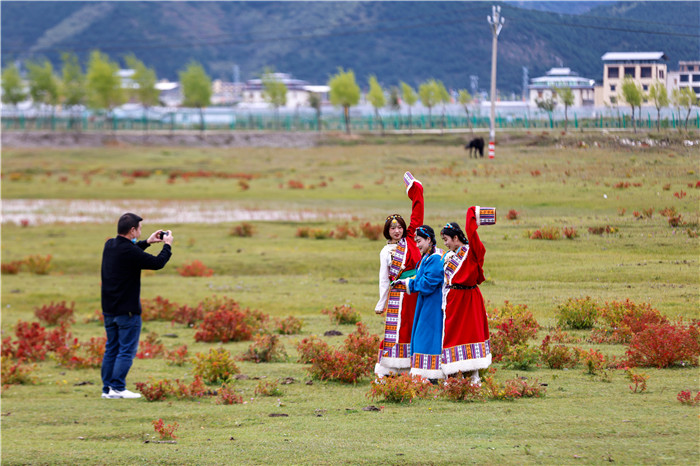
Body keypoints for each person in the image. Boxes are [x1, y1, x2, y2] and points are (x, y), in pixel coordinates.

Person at [100, 213, 173, 399]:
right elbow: (157, 263)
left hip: (109, 309)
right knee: (126, 350)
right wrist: (167, 245)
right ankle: (118, 388)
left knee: (111, 349)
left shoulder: (110, 245)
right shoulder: (130, 251)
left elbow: (130, 252)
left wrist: (147, 242)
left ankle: (107, 389)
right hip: (127, 311)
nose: (140, 232)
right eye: (139, 229)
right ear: (132, 230)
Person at [374, 172, 423, 377]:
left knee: (416, 328)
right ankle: (388, 367)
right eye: (393, 228)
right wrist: (381, 302)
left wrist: (415, 189)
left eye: (400, 227)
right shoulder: (385, 251)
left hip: (416, 291)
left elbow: (417, 213)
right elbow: (384, 279)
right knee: (396, 330)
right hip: (397, 295)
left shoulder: (411, 238)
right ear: (388, 231)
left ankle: (414, 367)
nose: (397, 231)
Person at [439, 208, 491, 384]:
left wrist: (472, 214)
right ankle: (453, 375)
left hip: (469, 298)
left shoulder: (472, 251)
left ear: (456, 238)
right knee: (452, 334)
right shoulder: (449, 256)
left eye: (446, 239)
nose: (445, 243)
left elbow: (472, 233)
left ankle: (474, 375)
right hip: (453, 299)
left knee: (471, 333)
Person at [398, 225, 445, 381]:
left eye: (419, 241)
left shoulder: (436, 258)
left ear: (429, 239)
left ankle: (430, 373)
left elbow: (428, 283)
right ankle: (424, 372)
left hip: (433, 303)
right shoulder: (427, 257)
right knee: (422, 334)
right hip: (425, 302)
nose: (417, 245)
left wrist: (409, 284)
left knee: (427, 335)